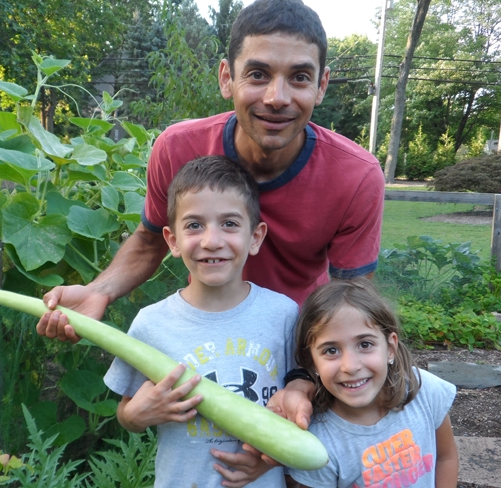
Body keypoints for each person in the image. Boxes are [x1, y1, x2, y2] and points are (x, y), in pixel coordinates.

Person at [38, 0, 383, 435]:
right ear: (227, 78)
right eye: (257, 74)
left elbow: (351, 300)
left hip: (295, 345)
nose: (277, 98)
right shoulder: (177, 148)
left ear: (322, 86)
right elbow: (148, 240)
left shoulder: (355, 174)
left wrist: (309, 380)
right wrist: (98, 291)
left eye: (299, 77)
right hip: (206, 340)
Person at [103, 155, 299, 487]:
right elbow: (126, 411)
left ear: (255, 237)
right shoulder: (151, 324)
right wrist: (135, 418)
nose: (212, 241)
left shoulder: (283, 314)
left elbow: (299, 398)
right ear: (173, 240)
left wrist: (271, 461)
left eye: (230, 224)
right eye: (194, 225)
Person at [284, 278, 459, 488]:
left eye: (365, 344)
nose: (350, 366)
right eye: (331, 350)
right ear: (312, 363)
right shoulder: (317, 443)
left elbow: (446, 457)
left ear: (390, 348)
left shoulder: (425, 390)